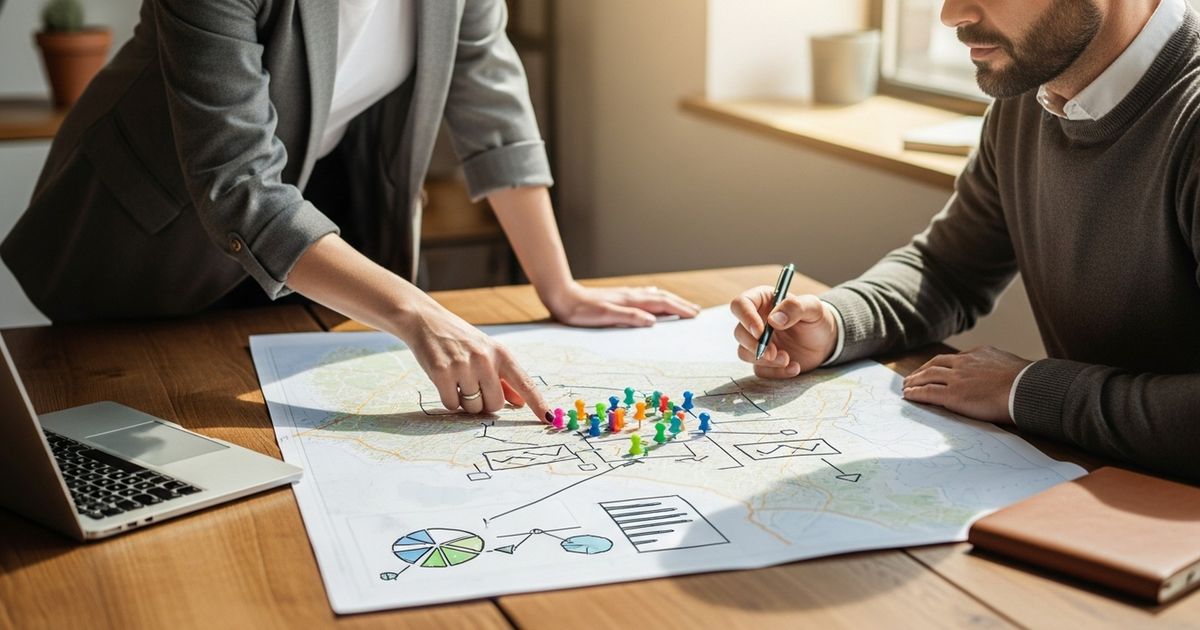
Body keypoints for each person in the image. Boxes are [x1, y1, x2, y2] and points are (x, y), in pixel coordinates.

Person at [0, 0, 700, 420]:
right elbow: (237, 178)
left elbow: (488, 93)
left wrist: (560, 287)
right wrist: (419, 310)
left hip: (303, 222)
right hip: (143, 235)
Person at [731, 0, 1200, 481]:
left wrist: (1027, 389)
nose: (951, 14)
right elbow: (947, 270)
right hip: (1103, 484)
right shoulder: (1033, 90)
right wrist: (834, 323)